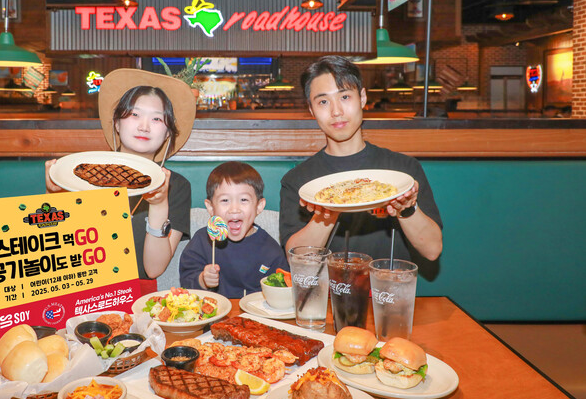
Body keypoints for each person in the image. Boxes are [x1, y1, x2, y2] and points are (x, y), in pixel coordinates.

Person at [44, 69, 196, 294]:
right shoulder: (81, 174)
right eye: (134, 114)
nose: (144, 126)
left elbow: (153, 269)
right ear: (116, 123)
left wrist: (158, 205)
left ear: (167, 134)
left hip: (138, 298)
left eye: (156, 119)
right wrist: (53, 195)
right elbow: (54, 249)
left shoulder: (176, 186)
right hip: (79, 290)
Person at [280, 56, 443, 263]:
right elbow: (296, 260)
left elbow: (432, 250)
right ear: (311, 109)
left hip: (387, 283)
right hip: (328, 285)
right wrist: (327, 209)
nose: (336, 111)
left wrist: (406, 208)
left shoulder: (402, 170)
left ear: (363, 98)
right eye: (323, 102)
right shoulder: (299, 181)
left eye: (345, 97)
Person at [180, 161, 289, 298]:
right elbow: (186, 280)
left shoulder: (270, 250)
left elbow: (282, 290)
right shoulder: (203, 240)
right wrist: (202, 280)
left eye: (244, 200)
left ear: (259, 206)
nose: (234, 209)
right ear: (211, 208)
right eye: (225, 200)